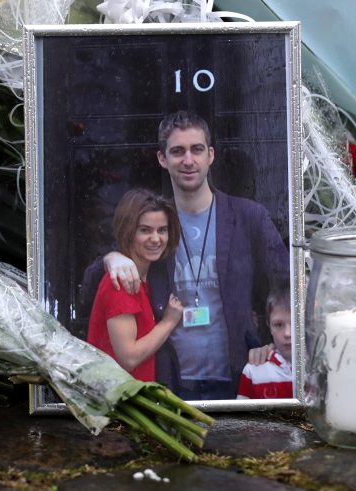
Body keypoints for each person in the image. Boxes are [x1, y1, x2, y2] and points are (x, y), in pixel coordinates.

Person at [86, 110, 290, 399]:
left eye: (196, 149)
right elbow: (91, 283)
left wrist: (272, 340)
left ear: (211, 155)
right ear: (162, 158)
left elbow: (286, 283)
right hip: (170, 381)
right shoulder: (154, 221)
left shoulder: (248, 216)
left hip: (239, 373)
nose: (188, 160)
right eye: (177, 151)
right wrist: (112, 258)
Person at [86, 188, 184, 381]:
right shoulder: (120, 281)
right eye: (145, 230)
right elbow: (129, 358)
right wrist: (169, 322)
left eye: (162, 230)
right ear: (128, 230)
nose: (156, 239)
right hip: (118, 405)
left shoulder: (149, 276)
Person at [237, 284, 293, 399]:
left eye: (296, 323)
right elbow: (242, 416)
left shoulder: (317, 370)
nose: (288, 333)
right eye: (278, 325)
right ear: (269, 325)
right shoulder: (253, 370)